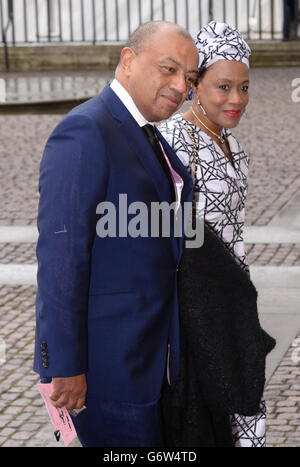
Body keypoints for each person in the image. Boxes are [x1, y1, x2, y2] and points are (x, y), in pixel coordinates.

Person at [33, 21, 199, 447]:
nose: (181, 86)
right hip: (106, 368)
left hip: (150, 357)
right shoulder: (86, 130)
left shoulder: (144, 129)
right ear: (128, 60)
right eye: (169, 69)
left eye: (190, 78)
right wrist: (63, 364)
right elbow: (61, 258)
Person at [159, 21, 276, 447]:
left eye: (244, 87)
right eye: (223, 86)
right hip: (196, 309)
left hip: (234, 299)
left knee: (244, 405)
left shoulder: (235, 148)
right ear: (195, 84)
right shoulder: (171, 140)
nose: (236, 99)